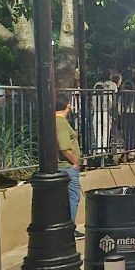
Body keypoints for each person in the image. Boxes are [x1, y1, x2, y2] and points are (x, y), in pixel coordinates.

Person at [55, 93, 83, 237]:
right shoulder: (60, 123)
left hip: (65, 165)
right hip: (67, 166)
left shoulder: (57, 121)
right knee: (73, 197)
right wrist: (75, 162)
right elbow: (64, 147)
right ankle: (69, 229)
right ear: (67, 105)